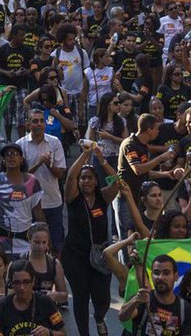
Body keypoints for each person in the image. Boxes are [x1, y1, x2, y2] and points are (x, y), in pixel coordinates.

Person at [61, 140, 120, 336]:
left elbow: (117, 182)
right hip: (75, 255)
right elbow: (70, 176)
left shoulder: (103, 197)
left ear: (96, 181)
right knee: (80, 296)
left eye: (89, 178)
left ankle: (100, 317)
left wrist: (101, 160)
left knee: (102, 298)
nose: (85, 181)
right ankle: (84, 333)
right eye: (83, 178)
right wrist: (85, 154)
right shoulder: (73, 199)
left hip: (99, 255)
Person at [16, 109, 67, 256]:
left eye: (41, 121)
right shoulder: (20, 145)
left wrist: (49, 164)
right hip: (29, 204)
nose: (39, 124)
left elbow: (60, 174)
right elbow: (19, 178)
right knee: (31, 245)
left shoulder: (54, 142)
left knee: (56, 244)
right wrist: (38, 163)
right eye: (35, 121)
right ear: (28, 124)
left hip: (52, 202)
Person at [0, 142, 44, 255]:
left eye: (15, 154)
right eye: (8, 154)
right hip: (1, 237)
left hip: (25, 238)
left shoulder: (32, 181)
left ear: (21, 159)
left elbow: (38, 211)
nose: (12, 157)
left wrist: (44, 233)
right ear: (4, 160)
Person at [118, 255, 191, 334]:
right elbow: (122, 316)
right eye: (156, 273)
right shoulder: (142, 300)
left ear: (176, 276)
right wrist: (135, 300)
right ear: (151, 276)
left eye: (166, 273)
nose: (160, 277)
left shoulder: (185, 309)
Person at [0, 259, 66, 335]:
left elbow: (63, 333)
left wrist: (49, 333)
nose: (22, 287)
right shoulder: (3, 306)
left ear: (33, 281)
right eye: (17, 283)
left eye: (26, 282)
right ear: (11, 283)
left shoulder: (45, 302)